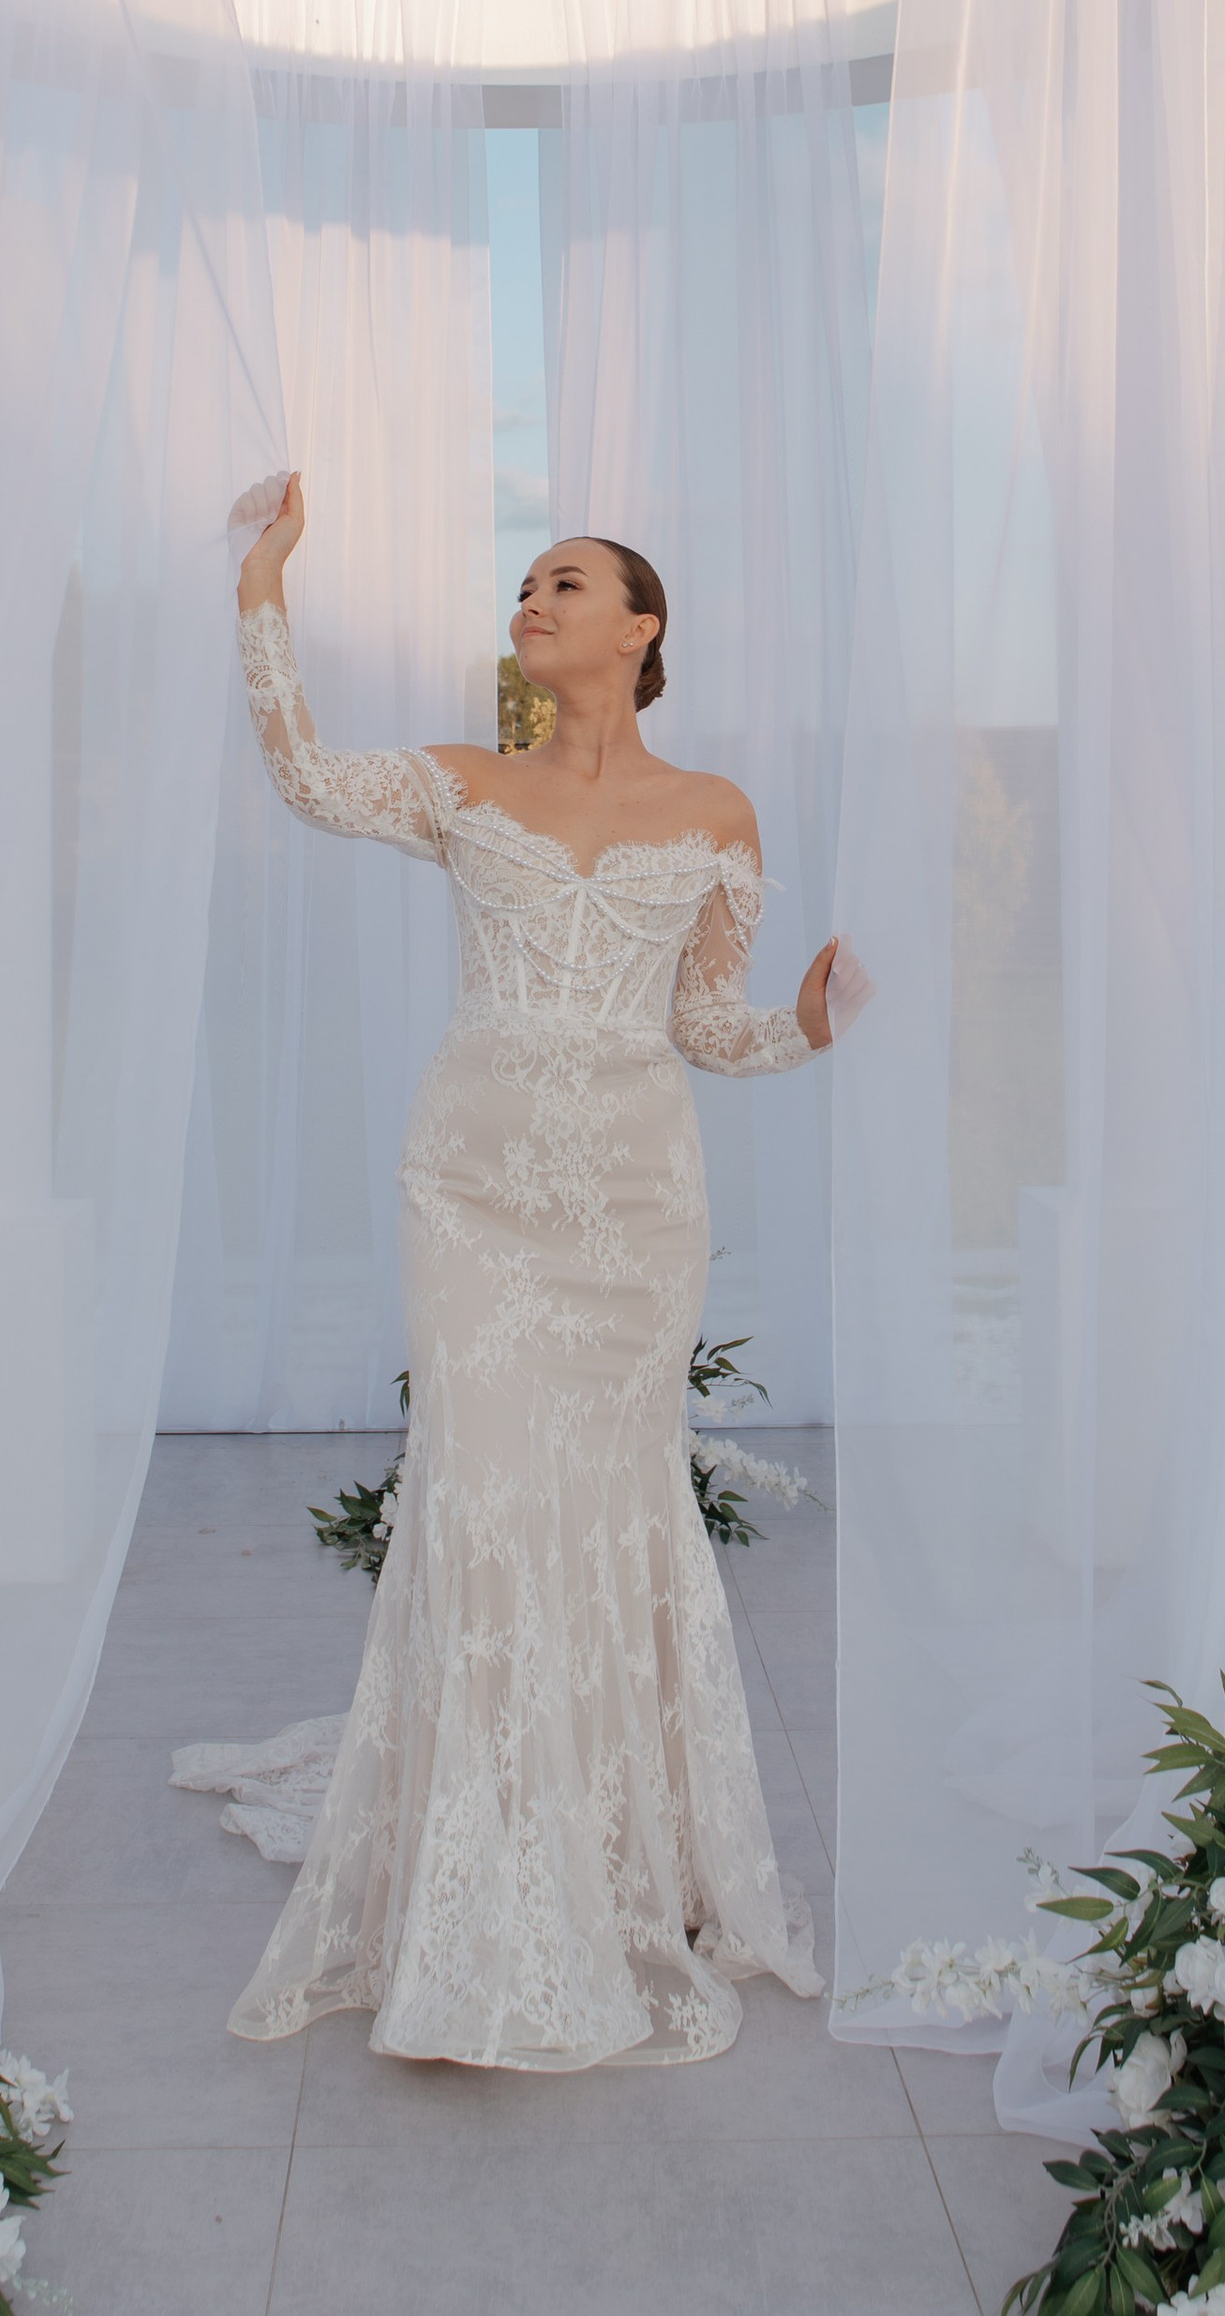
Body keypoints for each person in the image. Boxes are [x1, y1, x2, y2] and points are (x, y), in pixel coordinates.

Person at [189, 471, 837, 2070]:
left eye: (565, 584)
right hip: (472, 1188)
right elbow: (304, 778)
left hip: (630, 1213)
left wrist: (812, 1030)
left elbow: (701, 1026)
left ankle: (629, 1848)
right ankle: (482, 1874)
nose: (531, 603)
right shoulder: (464, 784)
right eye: (525, 588)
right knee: (481, 1499)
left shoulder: (719, 816)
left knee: (610, 1508)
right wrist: (262, 585)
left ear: (640, 625)